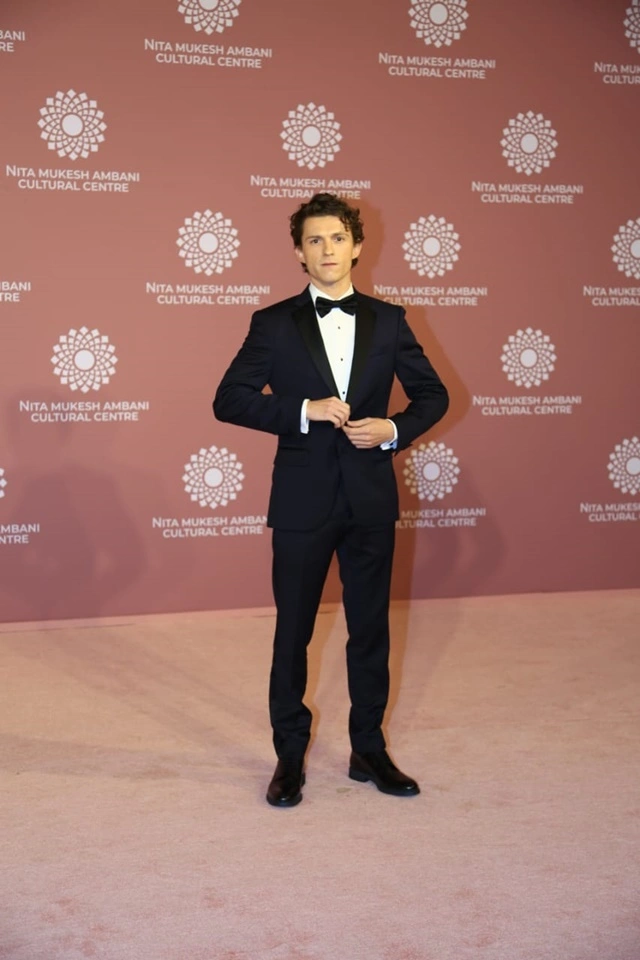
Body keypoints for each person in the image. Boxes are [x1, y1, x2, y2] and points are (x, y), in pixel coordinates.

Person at [213, 193, 449, 807]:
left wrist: (392, 429)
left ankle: (368, 749)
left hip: (370, 497)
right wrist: (303, 410)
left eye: (337, 238)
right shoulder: (273, 323)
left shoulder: (390, 320)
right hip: (302, 499)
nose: (327, 250)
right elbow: (229, 399)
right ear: (299, 252)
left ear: (357, 246)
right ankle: (289, 756)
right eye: (314, 240)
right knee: (293, 632)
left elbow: (433, 395)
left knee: (370, 630)